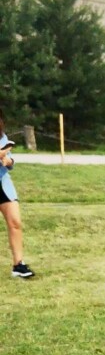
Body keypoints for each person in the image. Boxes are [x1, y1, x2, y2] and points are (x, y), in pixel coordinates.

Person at [0, 113, 35, 279]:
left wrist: (8, 161)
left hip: (2, 184)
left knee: (15, 222)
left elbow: (10, 161)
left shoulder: (2, 138)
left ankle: (18, 265)